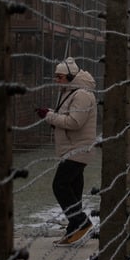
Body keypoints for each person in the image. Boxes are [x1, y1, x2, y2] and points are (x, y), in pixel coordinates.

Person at [36, 57, 97, 246]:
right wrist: (51, 113)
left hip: (77, 149)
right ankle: (74, 231)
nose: (57, 80)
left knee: (60, 185)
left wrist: (49, 116)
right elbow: (67, 116)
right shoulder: (70, 92)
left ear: (70, 77)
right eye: (56, 76)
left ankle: (82, 222)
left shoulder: (82, 94)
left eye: (60, 77)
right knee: (73, 189)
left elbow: (74, 122)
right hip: (73, 148)